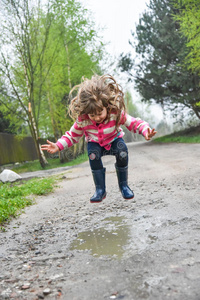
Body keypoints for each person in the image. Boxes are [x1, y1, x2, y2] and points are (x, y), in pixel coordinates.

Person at [41, 74, 157, 203]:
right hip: (95, 143)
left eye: (99, 113)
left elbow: (133, 122)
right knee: (93, 155)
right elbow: (72, 135)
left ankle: (124, 186)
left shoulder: (115, 113)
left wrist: (145, 130)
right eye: (92, 115)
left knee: (122, 151)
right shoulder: (83, 120)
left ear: (106, 106)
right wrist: (58, 145)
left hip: (114, 140)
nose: (96, 118)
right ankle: (100, 190)